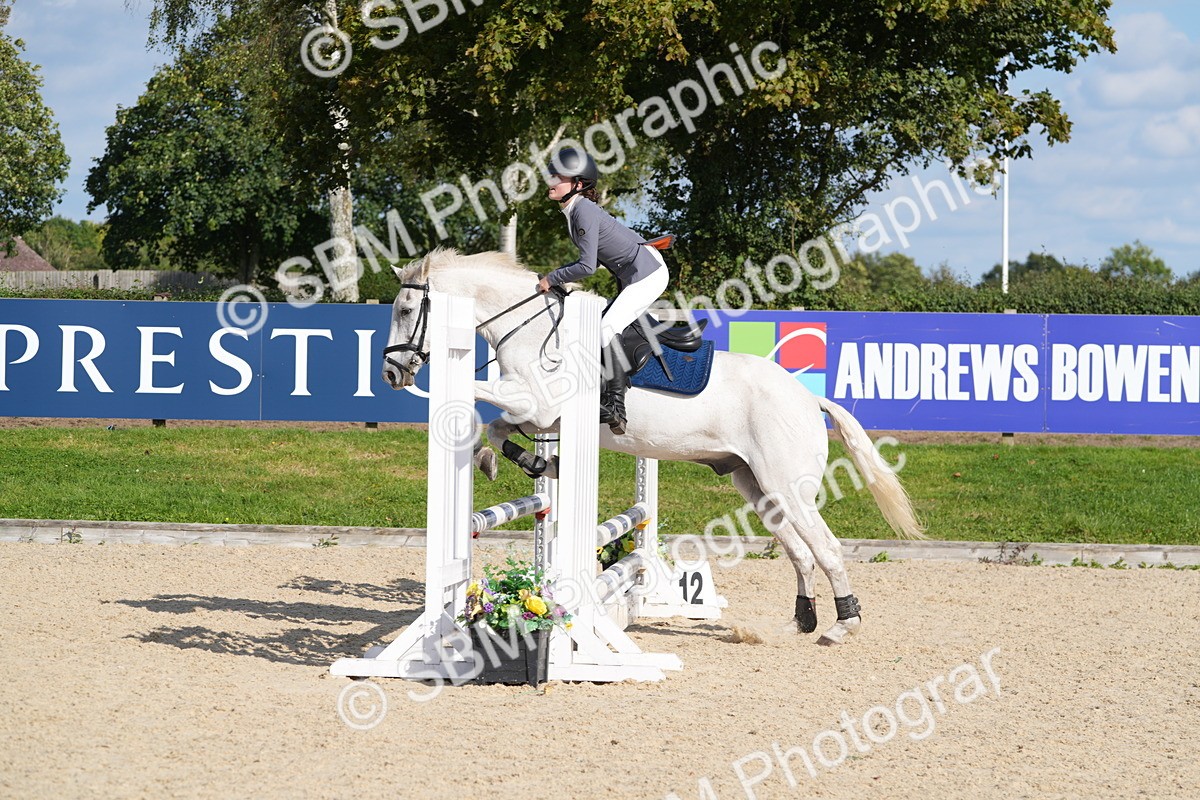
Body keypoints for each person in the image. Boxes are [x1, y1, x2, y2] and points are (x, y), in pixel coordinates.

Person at [536, 148, 670, 435]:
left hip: (648, 274)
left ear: (579, 184)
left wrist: (553, 277)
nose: (551, 180)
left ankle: (615, 406)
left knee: (606, 327)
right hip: (635, 272)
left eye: (558, 176)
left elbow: (586, 266)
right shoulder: (574, 211)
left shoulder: (582, 210)